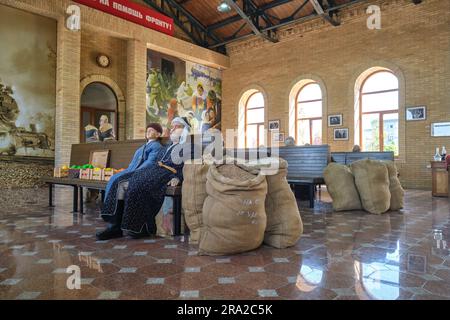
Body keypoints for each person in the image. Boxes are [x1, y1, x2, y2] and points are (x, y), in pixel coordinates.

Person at [97, 117, 190, 240]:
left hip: (165, 175)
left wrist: (178, 177)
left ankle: (141, 227)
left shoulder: (188, 147)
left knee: (136, 184)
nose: (172, 129)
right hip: (155, 172)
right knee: (120, 182)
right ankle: (115, 227)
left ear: (185, 129)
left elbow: (188, 164)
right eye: (171, 126)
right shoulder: (169, 146)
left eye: (176, 126)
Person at [97, 123, 163, 240]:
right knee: (113, 179)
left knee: (119, 183)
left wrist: (134, 173)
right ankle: (114, 225)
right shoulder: (141, 148)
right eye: (147, 130)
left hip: (141, 174)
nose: (148, 131)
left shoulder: (156, 147)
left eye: (152, 130)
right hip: (131, 171)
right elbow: (132, 164)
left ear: (158, 134)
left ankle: (115, 227)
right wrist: (126, 171)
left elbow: (150, 163)